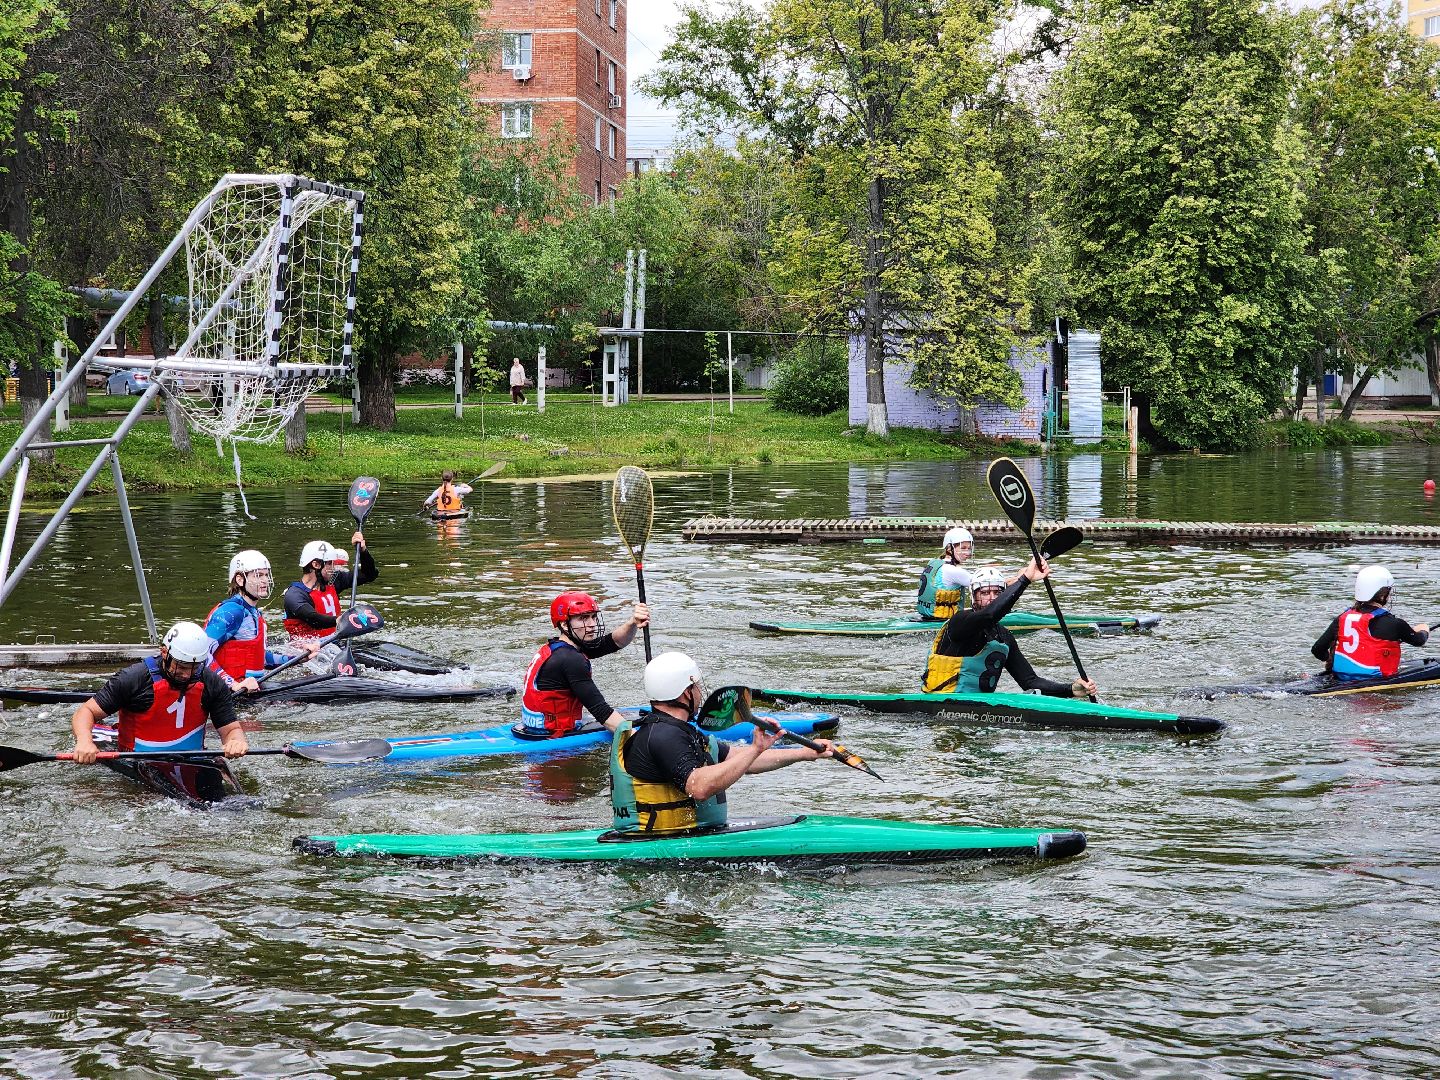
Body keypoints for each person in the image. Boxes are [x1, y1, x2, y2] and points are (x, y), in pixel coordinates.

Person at [609, 652, 834, 834]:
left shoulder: (675, 730)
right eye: (695, 687)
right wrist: (754, 749)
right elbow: (699, 787)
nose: (699, 692)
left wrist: (803, 753)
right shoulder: (663, 736)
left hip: (682, 834)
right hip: (659, 845)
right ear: (686, 693)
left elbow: (737, 758)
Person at [70, 621, 247, 762]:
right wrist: (85, 741)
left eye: (194, 668)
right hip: (137, 760)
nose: (187, 674)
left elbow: (231, 729)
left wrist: (236, 742)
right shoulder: (134, 678)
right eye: (182, 666)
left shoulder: (212, 683)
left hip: (193, 759)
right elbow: (86, 711)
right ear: (164, 653)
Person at [922, 560, 1098, 697]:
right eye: (984, 593)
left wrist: (1071, 689)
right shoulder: (959, 622)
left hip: (979, 709)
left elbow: (1030, 682)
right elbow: (989, 615)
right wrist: (1025, 579)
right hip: (940, 701)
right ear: (973, 596)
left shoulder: (1004, 637)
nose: (991, 598)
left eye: (997, 593)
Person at [519, 591, 650, 737]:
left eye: (593, 617)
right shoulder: (571, 660)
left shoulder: (558, 648)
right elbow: (602, 712)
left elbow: (614, 642)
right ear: (565, 624)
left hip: (532, 730)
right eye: (583, 618)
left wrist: (632, 622)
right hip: (554, 739)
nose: (592, 624)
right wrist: (641, 742)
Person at [206, 549, 319, 692]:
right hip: (226, 693)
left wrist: (297, 658)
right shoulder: (230, 612)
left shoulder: (254, 613)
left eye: (266, 575)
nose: (265, 580)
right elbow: (202, 654)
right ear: (240, 580)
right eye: (258, 575)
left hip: (250, 691)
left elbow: (261, 658)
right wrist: (234, 685)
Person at [1312, 565, 1429, 680]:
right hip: (1373, 681)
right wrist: (1424, 629)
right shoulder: (1395, 624)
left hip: (1341, 677)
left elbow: (1317, 650)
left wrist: (1330, 660)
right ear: (1383, 595)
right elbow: (1419, 640)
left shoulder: (1342, 618)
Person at [282, 532, 378, 640]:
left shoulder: (333, 581)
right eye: (329, 564)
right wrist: (341, 620)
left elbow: (369, 575)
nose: (333, 568)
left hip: (334, 643)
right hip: (306, 651)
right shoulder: (294, 595)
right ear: (316, 565)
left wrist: (362, 551)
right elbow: (313, 619)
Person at [916, 527, 975, 619]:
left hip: (927, 615)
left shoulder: (934, 562)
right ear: (949, 548)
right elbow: (983, 584)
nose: (967, 552)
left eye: (969, 548)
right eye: (963, 548)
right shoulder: (953, 571)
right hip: (943, 620)